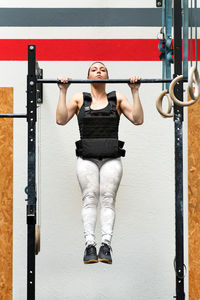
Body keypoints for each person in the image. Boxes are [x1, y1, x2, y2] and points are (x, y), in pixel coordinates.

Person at [56, 62, 144, 264]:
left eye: (102, 69)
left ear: (107, 76)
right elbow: (61, 120)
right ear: (88, 76)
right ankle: (89, 245)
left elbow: (138, 120)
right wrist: (63, 91)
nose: (98, 71)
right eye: (94, 69)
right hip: (87, 158)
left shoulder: (117, 98)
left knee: (107, 198)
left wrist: (135, 91)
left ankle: (105, 245)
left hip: (111, 157)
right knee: (89, 197)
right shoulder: (79, 98)